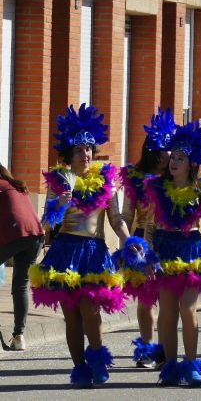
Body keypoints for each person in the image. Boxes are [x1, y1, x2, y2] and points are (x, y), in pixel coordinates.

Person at [29, 104, 135, 387]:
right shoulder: (59, 182)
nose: (85, 154)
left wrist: (129, 240)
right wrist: (59, 205)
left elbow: (116, 219)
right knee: (72, 315)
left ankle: (97, 357)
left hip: (93, 252)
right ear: (69, 154)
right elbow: (46, 225)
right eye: (79, 150)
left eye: (89, 148)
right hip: (65, 251)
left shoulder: (105, 180)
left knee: (91, 308)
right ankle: (79, 369)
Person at [143, 120, 201, 387]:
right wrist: (148, 257)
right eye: (173, 157)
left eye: (181, 158)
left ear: (191, 163)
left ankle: (191, 366)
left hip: (191, 249)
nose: (174, 162)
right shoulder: (158, 188)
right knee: (168, 313)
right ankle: (170, 367)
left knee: (188, 309)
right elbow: (150, 226)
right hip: (165, 249)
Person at [117, 108, 175, 368]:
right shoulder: (135, 178)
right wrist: (127, 243)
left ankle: (163, 349)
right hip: (141, 241)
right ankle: (147, 347)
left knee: (166, 300)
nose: (170, 154)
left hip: (167, 241)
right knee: (145, 299)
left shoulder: (175, 179)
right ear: (154, 152)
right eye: (166, 150)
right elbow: (126, 214)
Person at [0, 162, 44, 351]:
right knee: (21, 286)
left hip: (16, 234)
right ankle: (19, 336)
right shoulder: (16, 185)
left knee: (20, 285)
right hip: (35, 236)